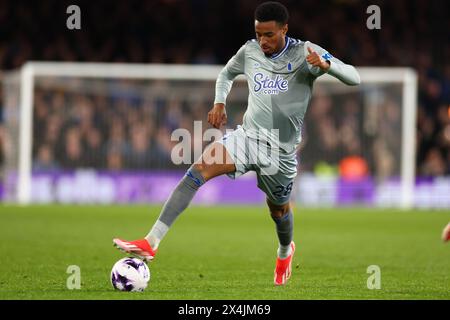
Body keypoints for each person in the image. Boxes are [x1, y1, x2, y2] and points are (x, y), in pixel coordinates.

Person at [113, 1, 360, 285]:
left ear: (284, 30)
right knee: (197, 171)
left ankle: (284, 250)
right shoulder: (250, 50)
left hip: (281, 153)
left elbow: (354, 76)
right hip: (247, 137)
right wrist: (219, 102)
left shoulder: (305, 52)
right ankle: (151, 241)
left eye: (268, 34)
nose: (262, 41)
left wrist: (327, 66)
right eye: (258, 34)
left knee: (278, 210)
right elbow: (227, 73)